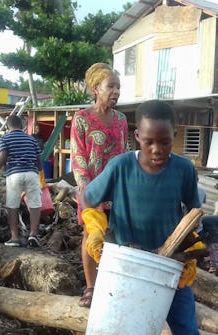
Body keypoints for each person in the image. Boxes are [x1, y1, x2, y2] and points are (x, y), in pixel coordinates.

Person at [79, 99, 213, 335]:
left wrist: (191, 247)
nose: (157, 149)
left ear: (174, 137)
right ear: (137, 135)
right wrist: (95, 228)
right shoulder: (120, 167)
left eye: (165, 142)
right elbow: (88, 199)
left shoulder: (183, 170)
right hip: (131, 269)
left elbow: (192, 210)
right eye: (150, 141)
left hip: (171, 268)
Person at [71, 62, 129, 308]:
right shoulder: (82, 118)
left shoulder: (122, 120)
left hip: (117, 191)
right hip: (92, 189)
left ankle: (113, 286)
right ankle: (91, 287)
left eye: (118, 87)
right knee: (91, 235)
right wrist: (87, 192)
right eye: (111, 86)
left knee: (116, 237)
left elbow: (125, 153)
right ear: (96, 88)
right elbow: (78, 157)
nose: (116, 91)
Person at [0, 114, 45, 248]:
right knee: (34, 205)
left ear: (8, 126)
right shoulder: (31, 139)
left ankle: (14, 238)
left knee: (12, 206)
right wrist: (41, 177)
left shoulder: (5, 138)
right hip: (32, 174)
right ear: (21, 126)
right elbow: (39, 160)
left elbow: (2, 158)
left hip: (14, 175)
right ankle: (33, 235)